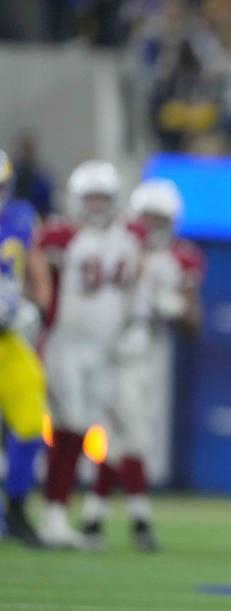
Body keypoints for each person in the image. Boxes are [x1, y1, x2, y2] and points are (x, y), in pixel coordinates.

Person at [80, 177, 204, 551]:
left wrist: (173, 307)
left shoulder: (181, 258)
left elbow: (193, 322)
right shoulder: (116, 248)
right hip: (105, 348)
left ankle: (93, 518)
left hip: (146, 351)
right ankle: (137, 520)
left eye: (159, 219)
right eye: (147, 218)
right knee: (131, 437)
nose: (151, 227)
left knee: (119, 440)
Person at [37, 160, 143, 548]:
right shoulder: (59, 235)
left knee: (80, 429)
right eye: (91, 197)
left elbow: (135, 289)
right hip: (65, 343)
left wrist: (134, 327)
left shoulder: (129, 237)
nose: (97, 205)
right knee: (69, 425)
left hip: (103, 348)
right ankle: (53, 514)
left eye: (104, 197)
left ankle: (56, 514)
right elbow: (44, 286)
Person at [0, 149, 52, 547]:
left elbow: (37, 272)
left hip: (8, 334)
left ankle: (16, 508)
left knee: (31, 418)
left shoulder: (19, 216)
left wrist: (35, 307)